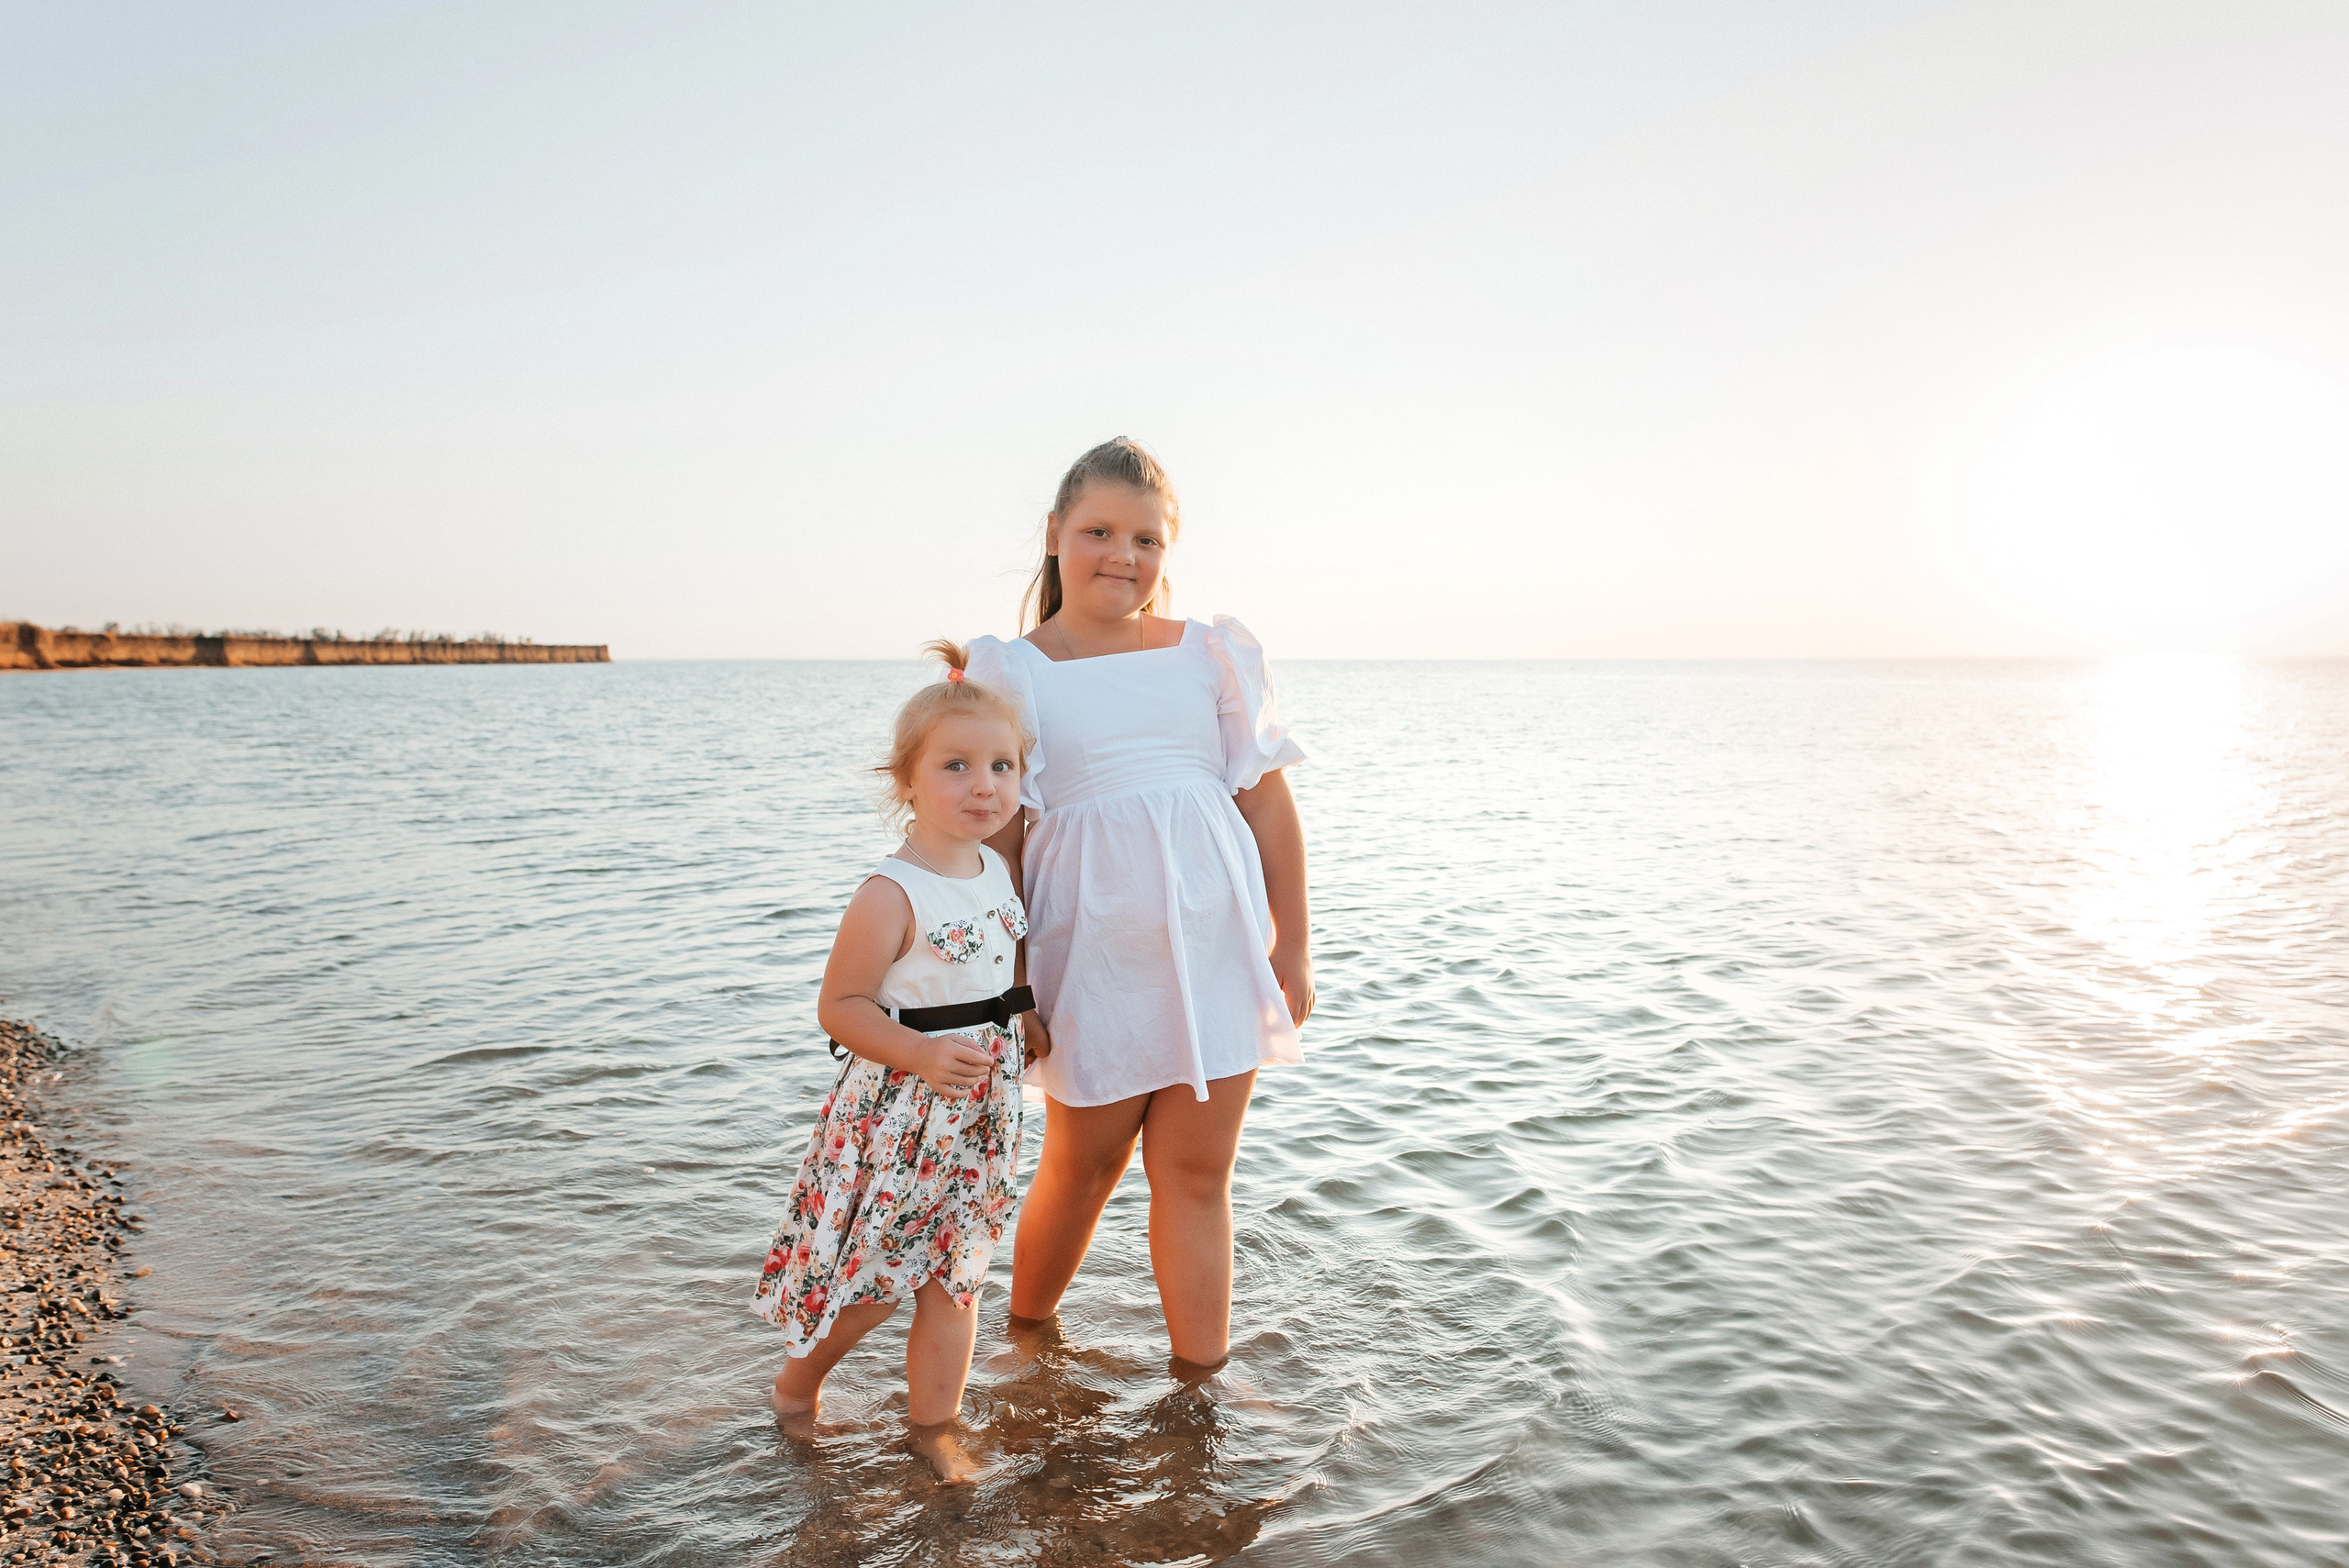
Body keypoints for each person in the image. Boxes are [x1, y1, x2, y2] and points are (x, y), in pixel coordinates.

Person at [967, 437, 1312, 1374]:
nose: (1123, 555)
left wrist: (1292, 947)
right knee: (1083, 1167)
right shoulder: (1013, 669)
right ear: (1053, 536)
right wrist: (1014, 979)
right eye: (1098, 531)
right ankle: (1025, 1344)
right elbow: (998, 839)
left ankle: (1200, 1387)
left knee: (1197, 1175)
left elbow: (1268, 803)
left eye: (1147, 539)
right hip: (1090, 954)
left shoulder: (1212, 654)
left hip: (1218, 947)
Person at [751, 643, 1033, 1483]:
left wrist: (1027, 1016)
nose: (984, 784)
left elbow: (999, 961)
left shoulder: (998, 866)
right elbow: (840, 1006)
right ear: (904, 779)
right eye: (956, 765)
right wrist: (915, 1051)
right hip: (900, 1111)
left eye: (1002, 765)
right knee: (876, 1279)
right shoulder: (891, 890)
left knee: (959, 1274)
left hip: (983, 1107)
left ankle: (934, 1429)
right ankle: (797, 1386)